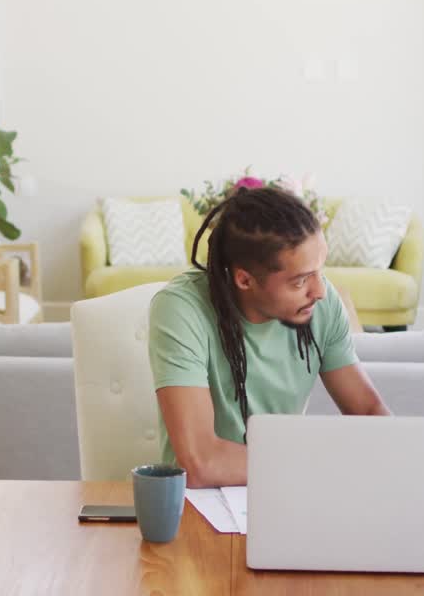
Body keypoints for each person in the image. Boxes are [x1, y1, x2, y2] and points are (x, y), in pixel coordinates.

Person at [149, 186, 389, 488]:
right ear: (245, 280)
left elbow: (367, 411)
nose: (321, 291)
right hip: (202, 505)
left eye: (319, 271)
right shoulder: (181, 309)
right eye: (300, 280)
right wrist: (322, 463)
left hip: (285, 492)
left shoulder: (322, 305)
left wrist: (401, 459)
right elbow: (200, 461)